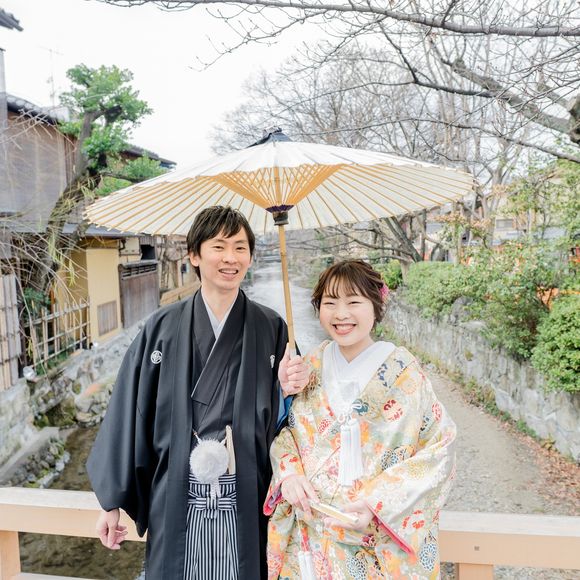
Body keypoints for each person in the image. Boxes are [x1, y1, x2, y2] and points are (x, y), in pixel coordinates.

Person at [87, 206, 309, 579]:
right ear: (194, 255)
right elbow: (130, 411)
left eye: (240, 247)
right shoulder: (162, 327)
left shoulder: (272, 327)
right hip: (177, 493)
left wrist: (287, 390)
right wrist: (112, 502)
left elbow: (296, 423)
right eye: (219, 246)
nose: (231, 258)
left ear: (250, 256)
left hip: (246, 495)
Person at [264, 260, 456, 579]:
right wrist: (290, 474)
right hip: (313, 536)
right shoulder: (309, 366)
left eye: (353, 302)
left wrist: (377, 503)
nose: (341, 314)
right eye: (330, 303)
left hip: (373, 538)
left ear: (376, 306)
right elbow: (287, 434)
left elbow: (440, 448)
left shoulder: (405, 375)